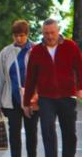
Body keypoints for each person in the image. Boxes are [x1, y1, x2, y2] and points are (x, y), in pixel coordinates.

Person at [23, 18, 82, 157]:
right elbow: (30, 78)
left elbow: (80, 69)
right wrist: (26, 102)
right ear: (42, 33)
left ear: (58, 31)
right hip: (46, 98)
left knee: (69, 133)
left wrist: (80, 87)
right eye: (46, 33)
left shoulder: (70, 46)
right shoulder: (36, 51)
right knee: (47, 131)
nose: (49, 36)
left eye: (52, 33)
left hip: (67, 96)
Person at [0, 19, 38, 157]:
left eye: (22, 35)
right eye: (16, 35)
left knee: (31, 132)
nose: (19, 38)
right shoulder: (6, 53)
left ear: (27, 34)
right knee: (14, 133)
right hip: (11, 99)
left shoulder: (36, 50)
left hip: (32, 98)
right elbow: (0, 77)